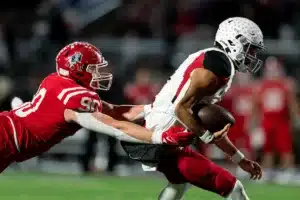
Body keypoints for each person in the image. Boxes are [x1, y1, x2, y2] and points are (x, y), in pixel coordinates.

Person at [111, 17, 265, 200]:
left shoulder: (214, 60)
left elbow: (210, 125)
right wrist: (206, 136)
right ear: (234, 42)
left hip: (158, 132)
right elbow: (180, 109)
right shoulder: (219, 65)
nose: (252, 57)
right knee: (234, 188)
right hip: (163, 137)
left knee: (179, 185)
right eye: (250, 49)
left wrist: (240, 159)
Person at [0, 42, 196, 173]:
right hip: (5, 139)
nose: (99, 74)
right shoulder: (76, 98)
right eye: (94, 68)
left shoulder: (55, 81)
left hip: (8, 136)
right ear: (78, 69)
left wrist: (153, 108)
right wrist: (160, 137)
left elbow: (113, 111)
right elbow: (116, 126)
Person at [253, 56, 297, 184]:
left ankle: (289, 171)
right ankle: (267, 171)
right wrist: (254, 123)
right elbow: (256, 105)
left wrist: (295, 119)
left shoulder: (286, 84)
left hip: (282, 121)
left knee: (286, 148)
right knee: (267, 149)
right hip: (267, 121)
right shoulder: (262, 86)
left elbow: (292, 103)